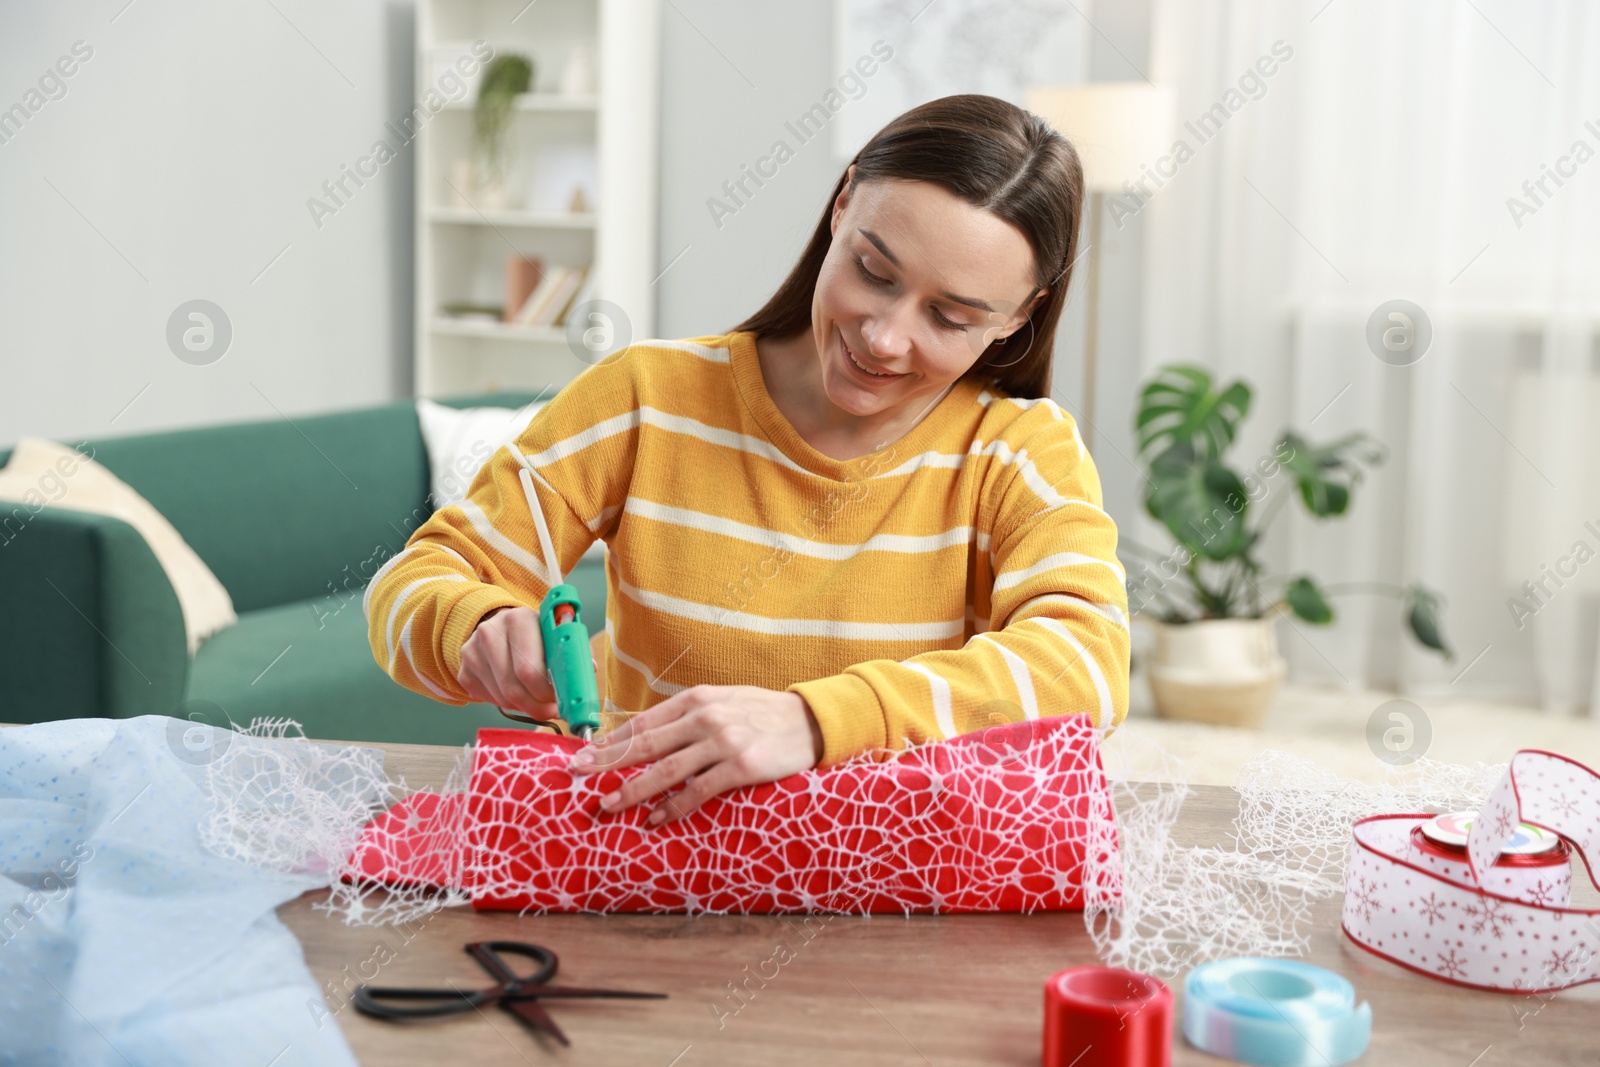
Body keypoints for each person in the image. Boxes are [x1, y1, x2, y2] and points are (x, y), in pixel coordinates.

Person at [365, 94, 1129, 828]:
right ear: (843, 205)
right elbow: (412, 584)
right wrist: (477, 625)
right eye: (874, 271)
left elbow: (1088, 667)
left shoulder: (1021, 451)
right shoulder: (645, 398)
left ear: (1019, 317)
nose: (886, 337)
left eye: (950, 317)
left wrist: (817, 720)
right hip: (638, 864)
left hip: (886, 893)